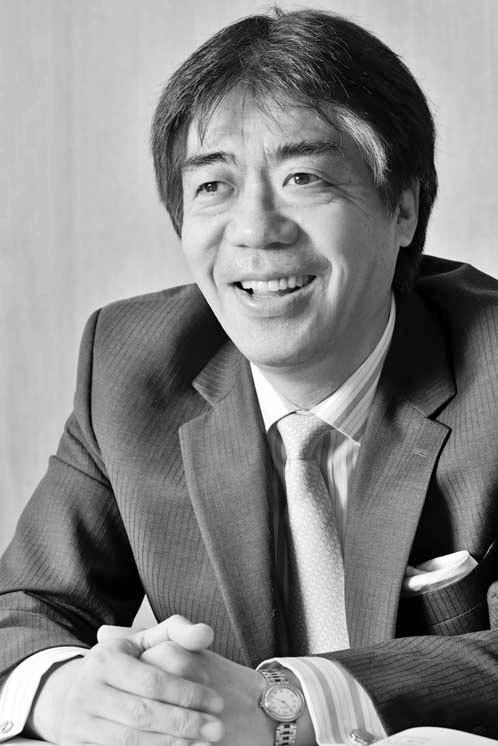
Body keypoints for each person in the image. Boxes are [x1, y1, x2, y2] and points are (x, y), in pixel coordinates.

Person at [1, 7, 498, 746]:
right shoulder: (132, 367)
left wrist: (286, 702)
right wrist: (69, 691)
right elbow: (25, 605)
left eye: (304, 177)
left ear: (403, 206)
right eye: (213, 186)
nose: (255, 228)